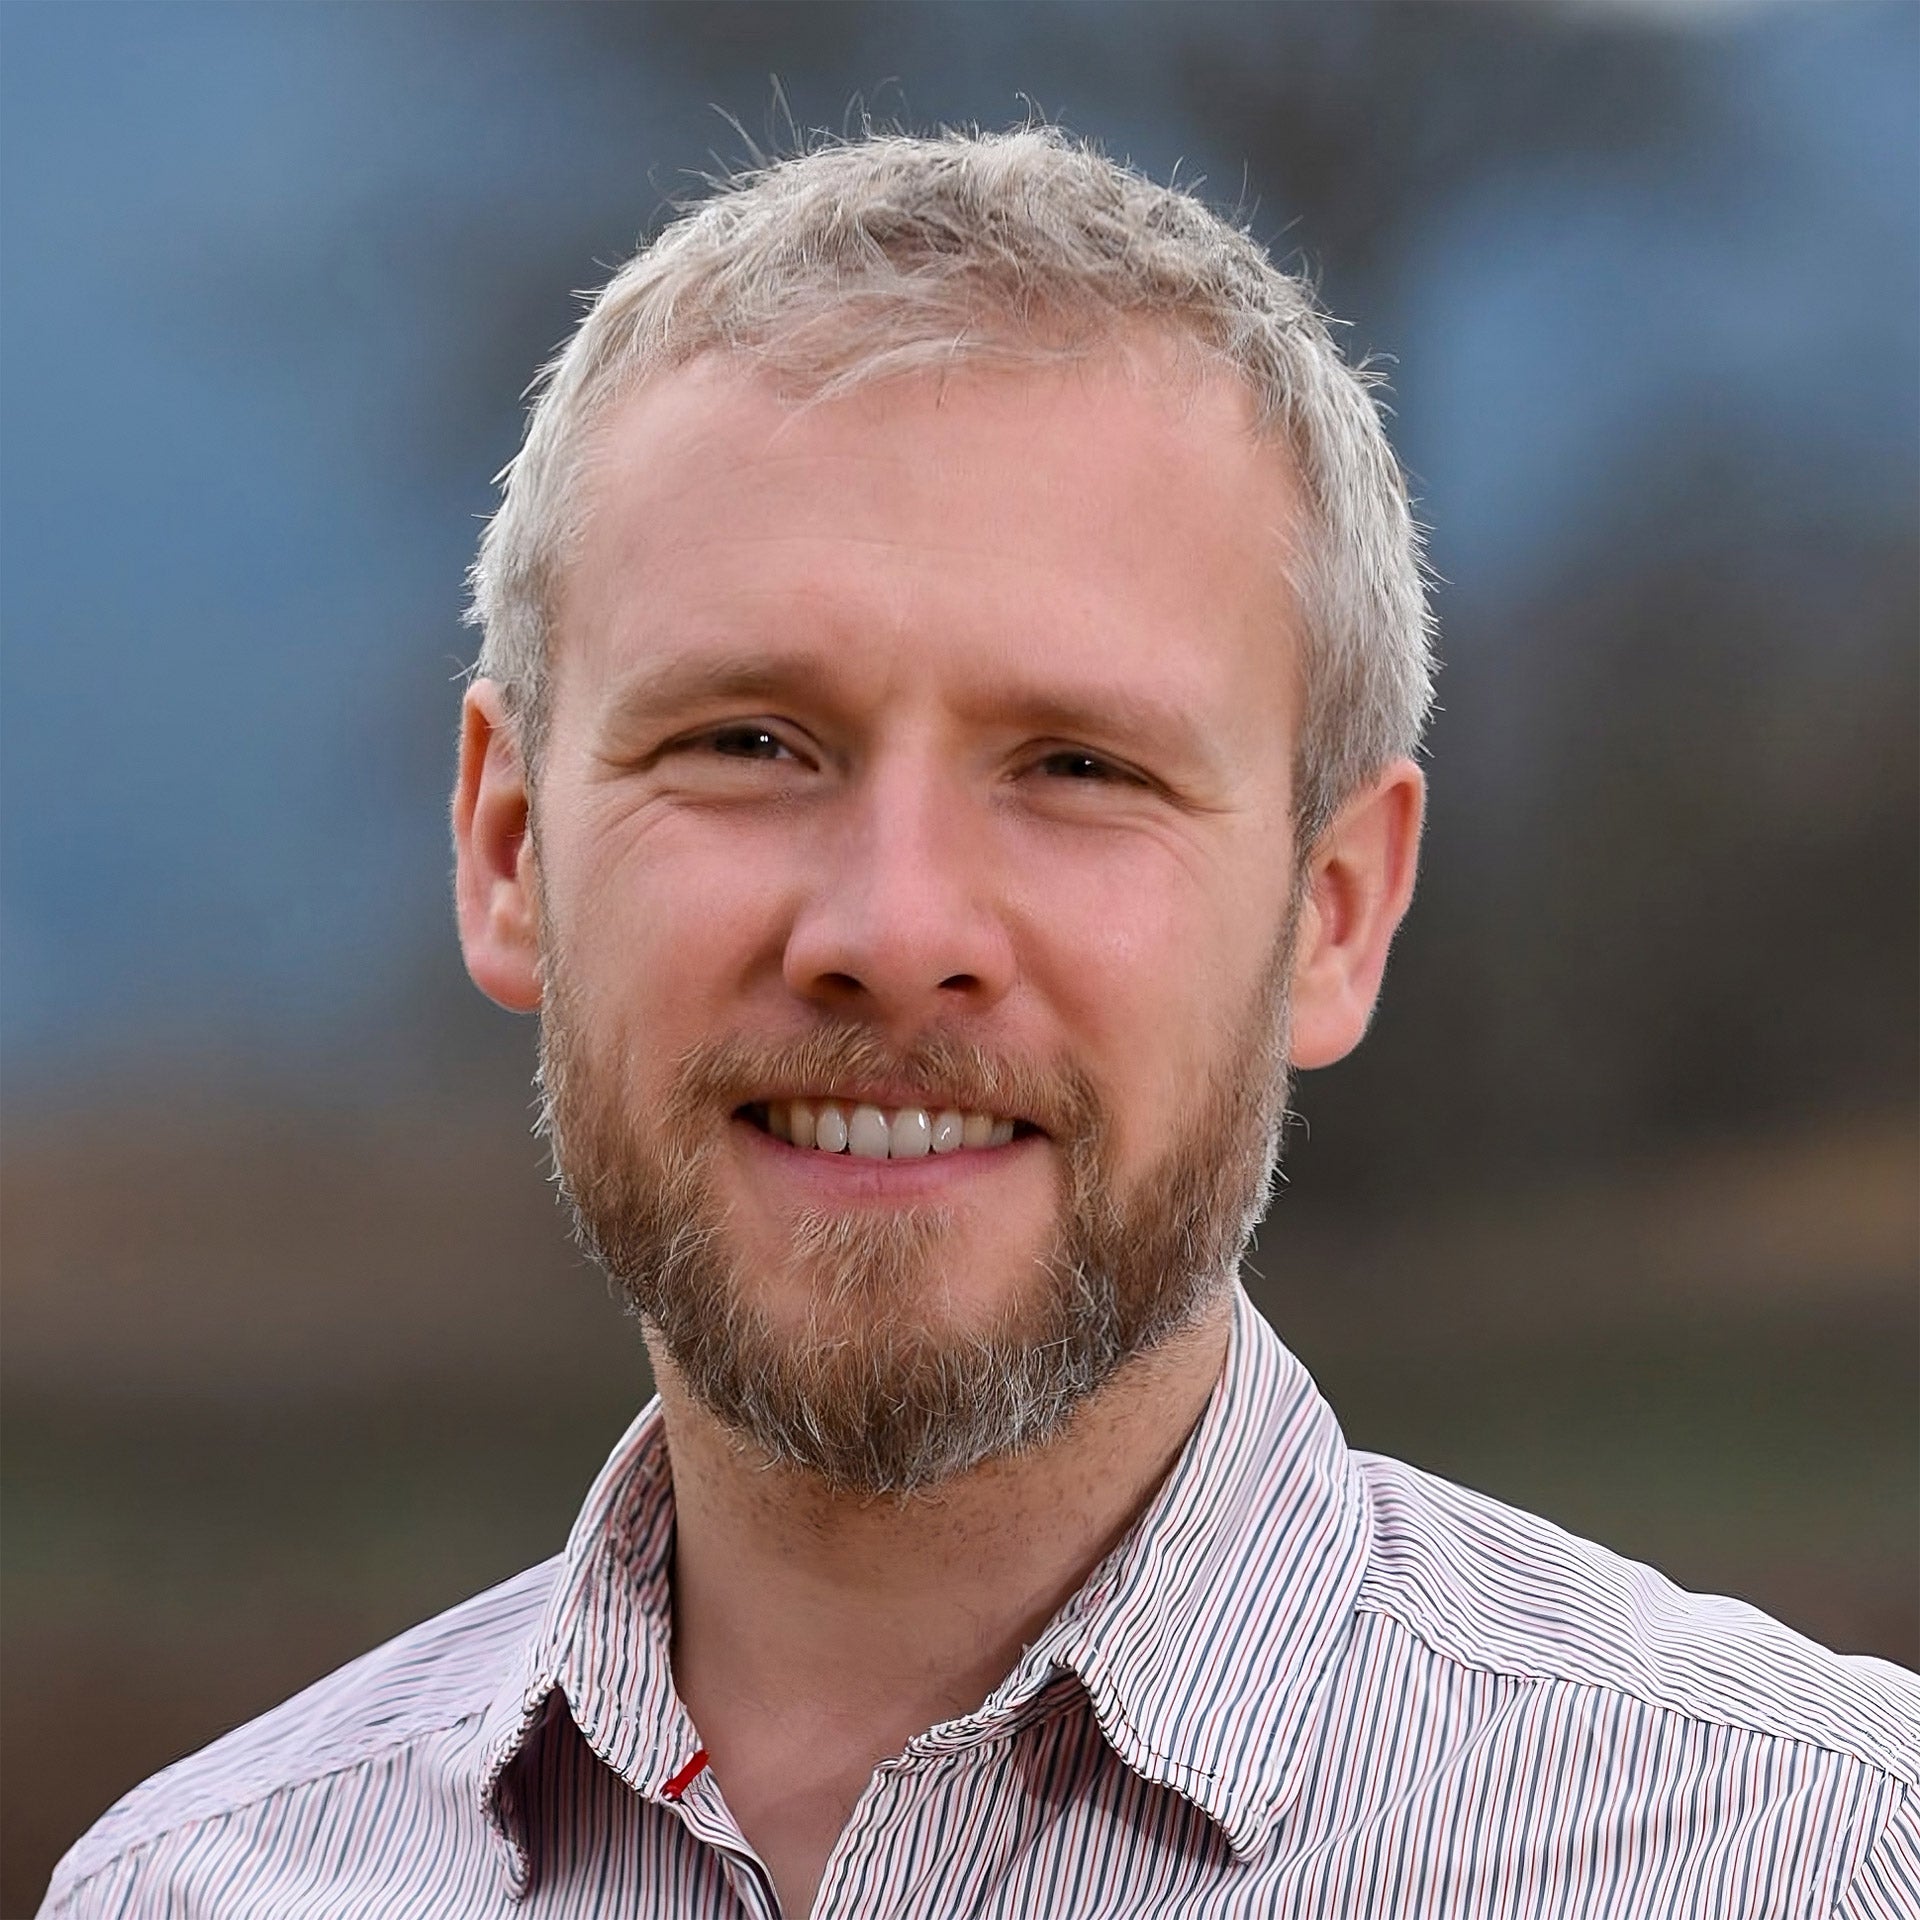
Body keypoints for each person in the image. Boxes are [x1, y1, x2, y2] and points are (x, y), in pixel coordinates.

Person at [41, 126, 1917, 1920]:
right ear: (511, 844)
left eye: (1078, 765)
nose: (896, 928)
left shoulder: (1821, 1858)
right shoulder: (185, 1889)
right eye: (750, 742)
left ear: (1333, 911)